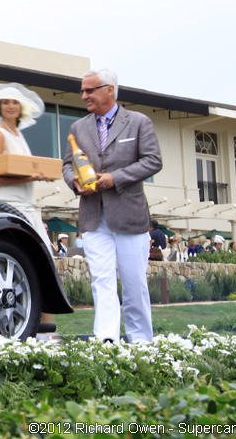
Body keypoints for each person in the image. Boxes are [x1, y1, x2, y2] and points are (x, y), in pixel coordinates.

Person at [62, 69, 163, 343]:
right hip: (93, 217)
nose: (84, 96)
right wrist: (74, 182)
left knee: (134, 283)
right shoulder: (77, 128)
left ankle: (141, 341)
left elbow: (153, 161)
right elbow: (67, 165)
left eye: (89, 90)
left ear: (110, 90)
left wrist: (114, 178)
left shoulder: (139, 122)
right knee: (102, 280)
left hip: (129, 216)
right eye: (83, 91)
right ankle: (107, 339)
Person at [0, 82, 58, 329]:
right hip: (8, 208)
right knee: (26, 265)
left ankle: (45, 327)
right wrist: (30, 177)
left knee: (43, 264)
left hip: (28, 207)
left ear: (21, 108)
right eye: (6, 102)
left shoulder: (19, 136)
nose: (10, 106)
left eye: (15, 102)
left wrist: (36, 176)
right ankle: (36, 327)